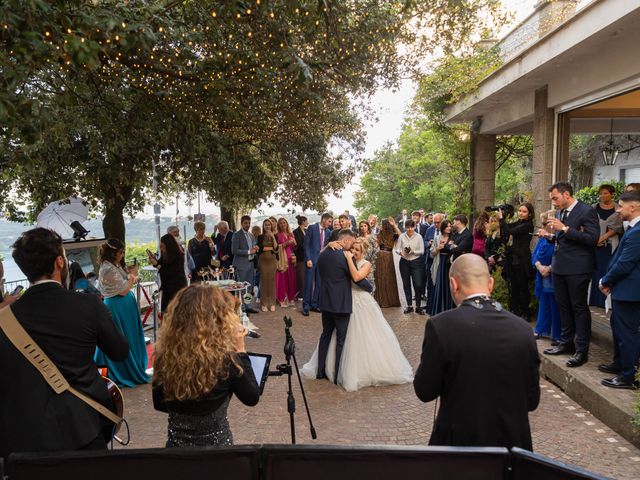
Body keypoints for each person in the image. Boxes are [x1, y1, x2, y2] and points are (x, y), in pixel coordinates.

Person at [0, 228, 129, 459]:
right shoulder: (88, 305)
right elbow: (120, 351)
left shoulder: (4, 318)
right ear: (60, 262)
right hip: (82, 428)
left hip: (23, 438)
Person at [414, 254, 540, 450]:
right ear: (490, 284)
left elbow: (424, 390)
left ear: (453, 284)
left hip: (460, 449)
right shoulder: (523, 329)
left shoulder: (442, 326)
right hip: (512, 451)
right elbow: (532, 401)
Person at [153, 284, 260, 447]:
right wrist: (240, 351)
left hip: (177, 452)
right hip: (217, 455)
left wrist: (188, 414)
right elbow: (251, 397)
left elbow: (159, 403)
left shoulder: (165, 357)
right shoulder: (226, 361)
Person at [301, 239, 412, 391]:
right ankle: (333, 368)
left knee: (362, 335)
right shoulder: (347, 260)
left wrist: (348, 259)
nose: (353, 252)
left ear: (363, 252)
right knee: (340, 336)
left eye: (357, 250)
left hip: (360, 302)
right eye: (352, 249)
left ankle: (356, 370)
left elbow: (357, 278)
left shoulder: (365, 263)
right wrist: (328, 245)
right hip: (345, 301)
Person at [542, 182, 599, 368]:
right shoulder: (560, 213)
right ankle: (566, 343)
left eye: (555, 198)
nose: (554, 202)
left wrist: (565, 229)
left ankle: (581, 351)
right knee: (563, 306)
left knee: (579, 308)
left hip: (578, 268)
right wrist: (550, 236)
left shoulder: (586, 211)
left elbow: (592, 239)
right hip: (560, 267)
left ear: (567, 194)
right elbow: (563, 240)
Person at [311, 230, 373, 383]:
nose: (351, 248)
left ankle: (319, 371)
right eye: (351, 243)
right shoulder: (346, 257)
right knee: (340, 340)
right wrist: (370, 286)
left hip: (325, 302)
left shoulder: (323, 254)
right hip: (341, 304)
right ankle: (338, 374)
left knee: (325, 335)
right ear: (346, 240)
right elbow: (357, 279)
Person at [598, 190, 640, 389]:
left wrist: (605, 280)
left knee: (627, 335)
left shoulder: (638, 230)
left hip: (630, 292)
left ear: (634, 207)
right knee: (621, 332)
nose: (618, 209)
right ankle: (624, 368)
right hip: (625, 290)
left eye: (621, 206)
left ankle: (628, 376)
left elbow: (625, 263)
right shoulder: (633, 228)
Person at [96, 239, 150, 387]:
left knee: (130, 335)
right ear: (113, 252)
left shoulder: (114, 265)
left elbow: (125, 280)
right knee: (120, 337)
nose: (122, 254)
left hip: (125, 307)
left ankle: (133, 366)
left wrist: (131, 277)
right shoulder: (107, 268)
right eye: (120, 252)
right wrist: (132, 279)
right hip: (117, 307)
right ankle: (121, 371)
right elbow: (123, 290)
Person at [497, 203, 535, 321]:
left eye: (524, 211)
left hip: (522, 260)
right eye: (519, 210)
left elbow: (508, 231)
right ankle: (515, 311)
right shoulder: (518, 223)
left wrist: (502, 219)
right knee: (514, 287)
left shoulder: (528, 225)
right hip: (513, 259)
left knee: (523, 287)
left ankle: (526, 313)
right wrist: (501, 221)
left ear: (529, 214)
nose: (520, 213)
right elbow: (505, 231)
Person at [589, 184, 620, 308]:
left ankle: (607, 302)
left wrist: (602, 238)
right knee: (595, 271)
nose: (602, 196)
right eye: (601, 193)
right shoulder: (593, 208)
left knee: (607, 269)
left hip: (610, 245)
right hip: (594, 245)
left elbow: (618, 227)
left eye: (605, 193)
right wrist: (595, 239)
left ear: (612, 194)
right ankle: (594, 300)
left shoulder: (618, 208)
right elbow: (588, 225)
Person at [532, 219, 561, 343]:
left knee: (555, 304)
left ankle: (556, 334)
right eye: (545, 224)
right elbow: (534, 255)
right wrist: (539, 267)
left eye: (549, 224)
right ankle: (541, 329)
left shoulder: (559, 240)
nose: (546, 226)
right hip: (542, 276)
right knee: (544, 302)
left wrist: (549, 268)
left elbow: (561, 256)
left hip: (554, 274)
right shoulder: (542, 239)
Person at [148, 233, 188, 314]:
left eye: (162, 246)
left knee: (176, 312)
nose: (160, 248)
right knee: (166, 312)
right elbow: (161, 264)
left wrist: (157, 265)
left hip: (177, 287)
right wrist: (155, 260)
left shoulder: (179, 256)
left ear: (168, 245)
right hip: (167, 287)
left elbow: (170, 272)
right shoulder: (165, 253)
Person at [302, 212, 333, 316]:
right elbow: (306, 245)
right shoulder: (312, 228)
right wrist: (308, 259)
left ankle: (314, 305)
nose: (330, 223)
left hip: (321, 262)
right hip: (311, 261)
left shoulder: (328, 232)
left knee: (319, 284)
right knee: (308, 284)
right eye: (329, 221)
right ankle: (306, 306)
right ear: (324, 219)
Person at [396, 219, 425, 314]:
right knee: (406, 284)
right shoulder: (401, 236)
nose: (409, 229)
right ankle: (409, 306)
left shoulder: (419, 237)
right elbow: (397, 249)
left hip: (416, 262)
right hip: (404, 262)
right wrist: (401, 253)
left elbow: (422, 251)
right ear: (405, 227)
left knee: (418, 284)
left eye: (411, 227)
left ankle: (418, 306)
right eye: (408, 227)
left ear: (415, 227)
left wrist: (413, 252)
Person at [231, 215, 259, 313]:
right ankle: (242, 308)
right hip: (241, 265)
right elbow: (234, 250)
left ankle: (248, 306)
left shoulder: (251, 235)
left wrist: (256, 248)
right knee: (242, 287)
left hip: (251, 264)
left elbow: (253, 246)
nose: (247, 225)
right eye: (245, 223)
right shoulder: (236, 235)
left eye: (249, 223)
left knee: (249, 287)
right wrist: (248, 252)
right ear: (242, 223)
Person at [374, 218, 401, 308]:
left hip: (381, 255)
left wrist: (394, 225)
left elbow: (401, 236)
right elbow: (401, 235)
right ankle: (389, 301)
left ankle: (382, 300)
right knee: (388, 277)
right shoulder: (385, 234)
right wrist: (394, 225)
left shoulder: (388, 235)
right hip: (387, 255)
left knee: (382, 277)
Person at [429, 220, 454, 316]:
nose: (449, 228)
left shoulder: (454, 237)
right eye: (447, 226)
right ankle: (439, 310)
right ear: (443, 228)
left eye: (450, 226)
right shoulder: (437, 238)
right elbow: (432, 254)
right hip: (441, 263)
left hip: (450, 263)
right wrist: (438, 248)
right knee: (440, 285)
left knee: (449, 286)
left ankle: (449, 309)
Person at [275, 217, 297, 307]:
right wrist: (287, 243)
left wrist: (294, 243)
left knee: (291, 279)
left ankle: (291, 298)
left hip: (291, 259)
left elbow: (294, 247)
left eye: (284, 222)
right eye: (281, 223)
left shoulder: (290, 234)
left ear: (287, 223)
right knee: (282, 280)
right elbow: (277, 247)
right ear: (278, 225)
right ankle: (281, 299)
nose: (283, 224)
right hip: (283, 259)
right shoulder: (277, 235)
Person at [256, 219, 277, 312]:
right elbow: (261, 248)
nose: (267, 226)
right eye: (265, 225)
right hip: (263, 261)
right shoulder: (260, 236)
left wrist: (272, 237)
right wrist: (271, 248)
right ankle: (263, 303)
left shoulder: (275, 235)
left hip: (272, 261)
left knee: (272, 282)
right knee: (264, 282)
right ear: (263, 226)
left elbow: (276, 248)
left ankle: (272, 303)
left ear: (271, 226)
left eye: (269, 225)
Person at [424, 213, 443, 312]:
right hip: (430, 260)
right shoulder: (429, 229)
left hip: (441, 261)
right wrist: (428, 243)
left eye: (438, 222)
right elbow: (425, 241)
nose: (436, 224)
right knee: (430, 283)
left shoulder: (446, 231)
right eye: (434, 222)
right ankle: (430, 305)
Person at [293, 215, 308, 300]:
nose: (308, 223)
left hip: (307, 257)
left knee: (305, 276)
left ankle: (303, 293)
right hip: (300, 256)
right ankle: (299, 294)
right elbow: (298, 244)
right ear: (303, 222)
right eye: (307, 221)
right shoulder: (295, 232)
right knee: (300, 276)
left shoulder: (307, 230)